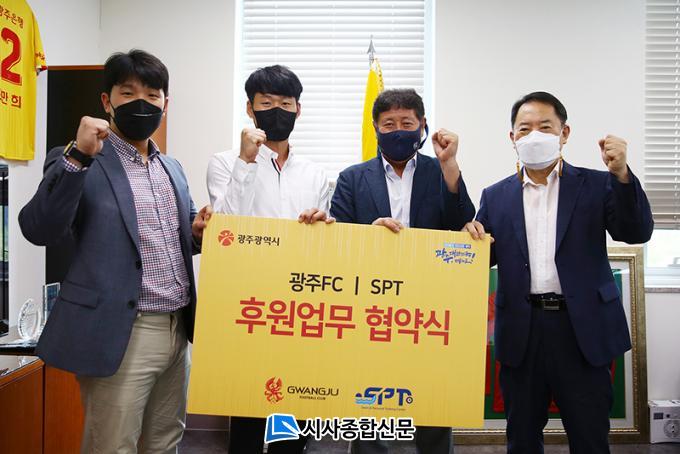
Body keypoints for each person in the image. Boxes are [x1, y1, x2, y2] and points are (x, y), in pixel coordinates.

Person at [19, 49, 212, 454]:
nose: (142, 103)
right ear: (107, 101)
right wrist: (78, 155)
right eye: (129, 93)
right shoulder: (81, 159)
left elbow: (179, 237)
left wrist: (196, 231)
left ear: (165, 104)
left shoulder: (172, 168)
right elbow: (39, 228)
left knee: (165, 441)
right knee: (111, 445)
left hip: (178, 328)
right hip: (121, 331)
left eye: (153, 95)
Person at [464, 91, 654, 454]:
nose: (534, 135)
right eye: (525, 128)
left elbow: (636, 232)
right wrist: (468, 236)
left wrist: (621, 174)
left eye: (545, 126)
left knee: (590, 438)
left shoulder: (597, 184)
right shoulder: (495, 195)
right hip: (522, 331)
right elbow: (480, 257)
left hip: (582, 330)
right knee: (522, 439)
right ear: (512, 137)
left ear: (564, 133)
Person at [330, 88, 476, 454]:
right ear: (376, 128)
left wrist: (450, 165)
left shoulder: (440, 170)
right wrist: (370, 234)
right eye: (389, 124)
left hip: (429, 305)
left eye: (407, 123)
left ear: (422, 125)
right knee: (368, 398)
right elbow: (337, 242)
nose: (398, 131)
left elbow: (463, 224)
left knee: (432, 398)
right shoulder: (352, 178)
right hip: (371, 305)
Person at [207, 64, 331, 453]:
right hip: (249, 304)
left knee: (294, 418)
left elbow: (325, 245)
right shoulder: (225, 162)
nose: (277, 110)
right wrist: (246, 161)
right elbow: (225, 228)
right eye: (266, 103)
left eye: (285, 103)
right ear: (250, 108)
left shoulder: (316, 173)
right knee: (247, 413)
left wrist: (323, 223)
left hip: (300, 305)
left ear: (298, 110)